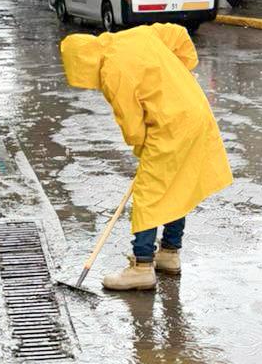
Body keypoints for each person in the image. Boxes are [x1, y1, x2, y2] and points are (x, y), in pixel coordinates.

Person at [60, 23, 233, 291]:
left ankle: (141, 267)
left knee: (148, 195)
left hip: (169, 125)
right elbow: (179, 34)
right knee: (177, 187)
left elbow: (131, 124)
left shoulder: (111, 69)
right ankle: (170, 253)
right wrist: (180, 72)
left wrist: (142, 148)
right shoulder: (138, 34)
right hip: (195, 111)